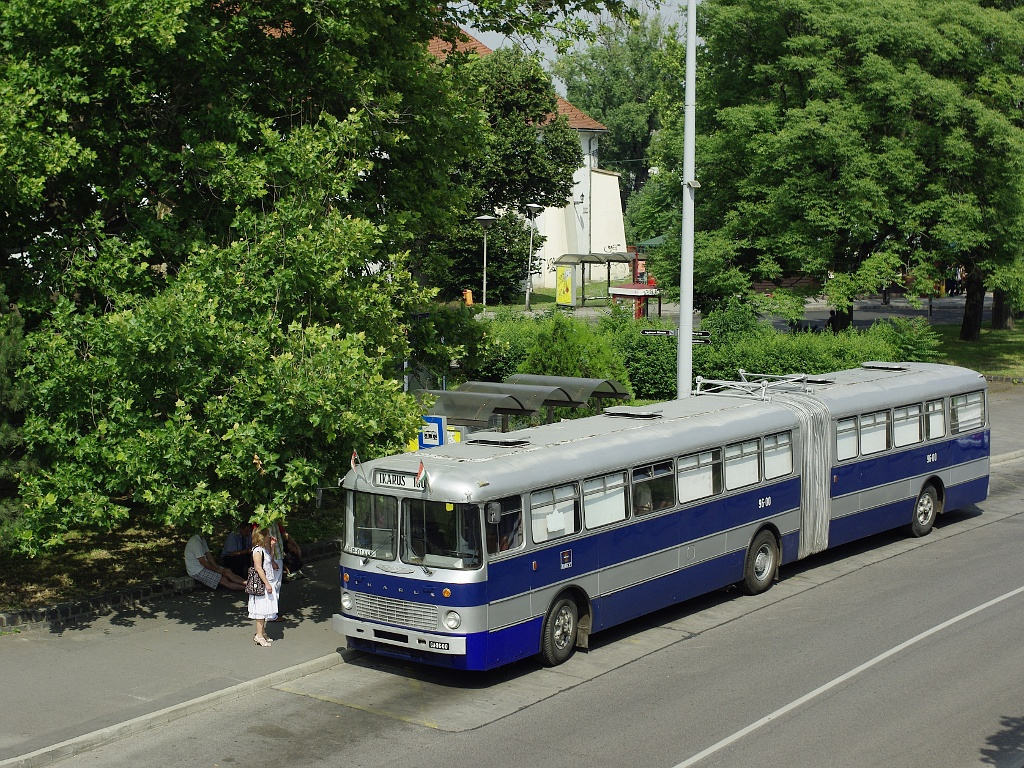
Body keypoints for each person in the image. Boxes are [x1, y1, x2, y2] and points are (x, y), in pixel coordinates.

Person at [248, 527, 278, 647]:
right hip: (261, 583)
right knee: (260, 610)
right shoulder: (257, 551)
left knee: (265, 609)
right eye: (267, 535)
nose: (268, 536)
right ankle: (259, 635)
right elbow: (258, 568)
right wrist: (266, 583)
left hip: (267, 580)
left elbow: (269, 560)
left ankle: (263, 632)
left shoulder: (263, 549)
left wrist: (273, 546)